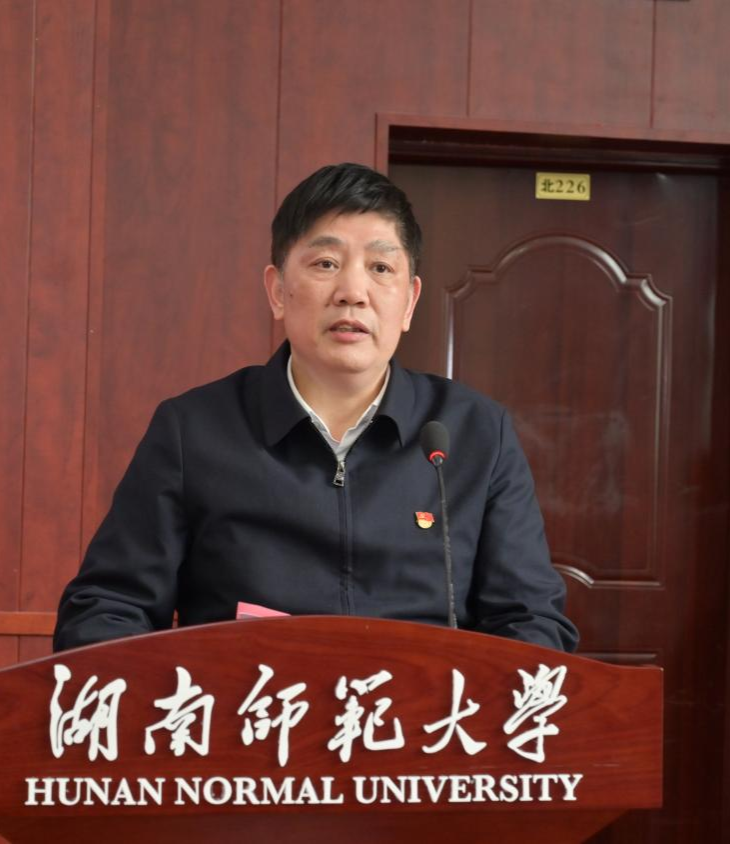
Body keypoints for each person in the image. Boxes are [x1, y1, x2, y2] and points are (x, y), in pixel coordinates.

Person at [53, 163, 578, 653]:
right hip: (248, 712)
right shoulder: (195, 430)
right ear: (278, 291)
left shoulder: (474, 433)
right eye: (326, 264)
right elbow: (105, 609)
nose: (353, 292)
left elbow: (531, 619)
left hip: (424, 718)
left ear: (409, 302)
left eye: (380, 267)